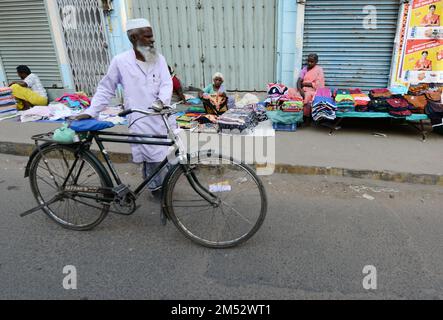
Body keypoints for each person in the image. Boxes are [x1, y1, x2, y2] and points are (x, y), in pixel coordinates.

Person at [76, 18, 173, 200]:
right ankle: (156, 187)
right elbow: (106, 88)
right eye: (147, 36)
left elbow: (167, 83)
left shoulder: (158, 59)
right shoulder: (120, 61)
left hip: (161, 115)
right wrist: (91, 111)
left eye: (152, 36)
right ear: (134, 37)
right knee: (151, 156)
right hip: (139, 118)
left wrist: (162, 100)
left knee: (166, 153)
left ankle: (163, 183)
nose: (152, 40)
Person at [297, 53, 325, 118]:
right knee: (291, 93)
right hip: (303, 90)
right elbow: (299, 81)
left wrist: (305, 84)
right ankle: (298, 117)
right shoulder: (304, 69)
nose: (309, 63)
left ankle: (306, 118)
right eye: (308, 61)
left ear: (316, 62)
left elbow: (319, 85)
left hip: (314, 91)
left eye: (312, 62)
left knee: (307, 96)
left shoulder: (319, 70)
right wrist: (300, 90)